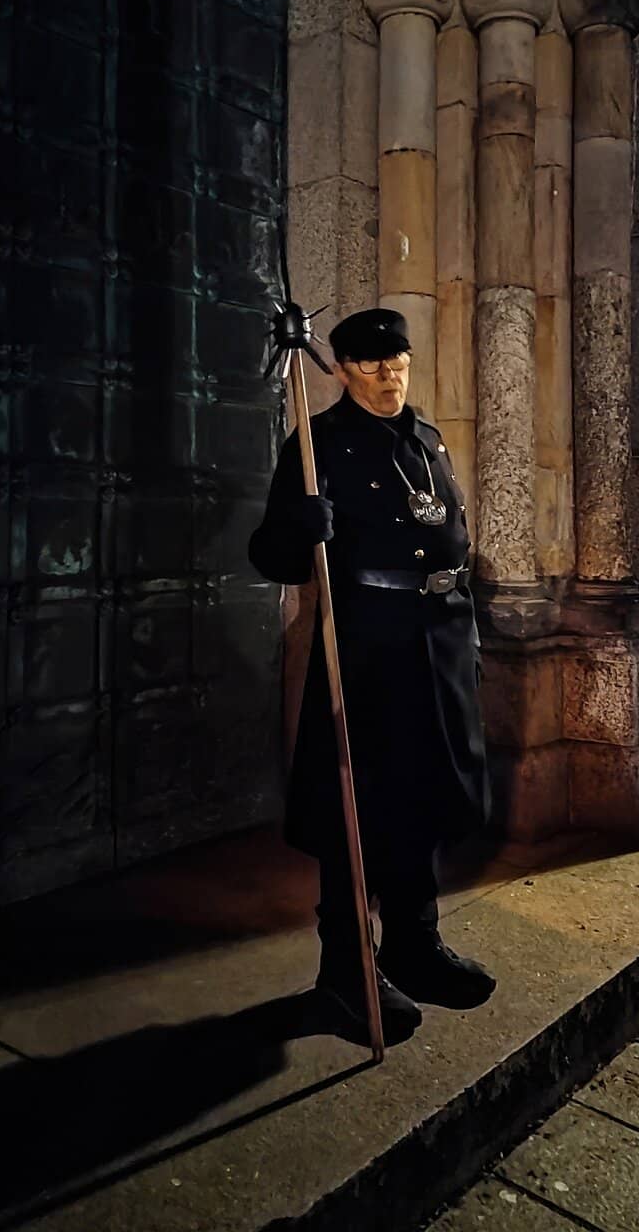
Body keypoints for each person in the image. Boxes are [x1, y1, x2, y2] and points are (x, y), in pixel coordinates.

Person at [248, 308, 495, 1044]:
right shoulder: (316, 444)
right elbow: (273, 558)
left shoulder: (427, 438)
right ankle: (346, 972)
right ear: (342, 369)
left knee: (427, 795)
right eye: (371, 363)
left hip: (439, 641)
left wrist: (465, 629)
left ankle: (414, 947)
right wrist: (299, 527)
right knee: (355, 804)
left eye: (399, 361)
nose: (390, 375)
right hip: (368, 650)